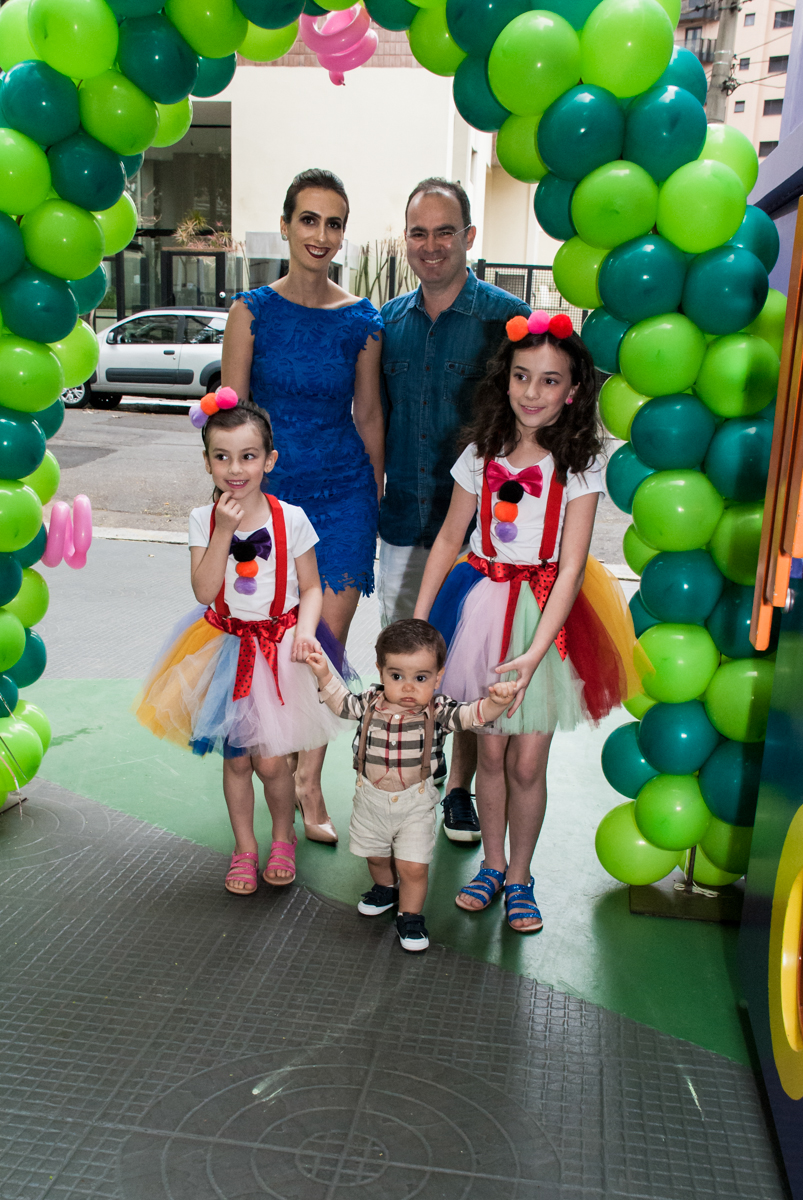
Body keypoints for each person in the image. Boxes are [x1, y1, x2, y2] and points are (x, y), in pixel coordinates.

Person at [414, 313, 638, 934]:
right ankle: (490, 865)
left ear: (572, 391)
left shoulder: (581, 466)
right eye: (521, 377)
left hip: (544, 617)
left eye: (548, 381)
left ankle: (520, 876)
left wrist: (538, 652)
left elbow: (570, 571)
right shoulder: (479, 454)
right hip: (480, 605)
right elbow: (448, 539)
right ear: (504, 380)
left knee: (527, 763)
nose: (532, 393)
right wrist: (422, 620)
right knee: (488, 754)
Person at [222, 167, 384, 845]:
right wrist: (230, 510)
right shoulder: (250, 311)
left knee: (322, 645)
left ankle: (309, 778)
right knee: (272, 643)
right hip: (270, 502)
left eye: (334, 222)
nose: (321, 235)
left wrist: (372, 493)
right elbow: (230, 418)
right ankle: (277, 766)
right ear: (286, 224)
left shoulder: (362, 320)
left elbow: (370, 414)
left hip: (344, 496)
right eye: (309, 219)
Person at [134, 394, 344, 896]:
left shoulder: (291, 518)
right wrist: (223, 530)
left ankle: (282, 839)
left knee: (272, 762)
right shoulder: (200, 519)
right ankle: (244, 848)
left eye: (248, 456)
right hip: (227, 650)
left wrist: (308, 630)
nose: (235, 468)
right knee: (236, 761)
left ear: (269, 460)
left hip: (280, 647)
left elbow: (311, 586)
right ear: (206, 461)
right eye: (221, 456)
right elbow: (206, 591)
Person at [379, 177, 530, 844]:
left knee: (466, 668)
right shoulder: (385, 324)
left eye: (445, 231)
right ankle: (409, 778)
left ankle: (457, 792)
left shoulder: (506, 320)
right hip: (404, 526)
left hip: (479, 541)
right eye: (419, 232)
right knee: (406, 666)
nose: (431, 245)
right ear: (405, 240)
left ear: (468, 236)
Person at [305, 619, 517, 951]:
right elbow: (341, 703)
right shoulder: (370, 702)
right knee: (374, 856)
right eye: (396, 676)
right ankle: (386, 889)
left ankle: (411, 914)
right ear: (380, 670)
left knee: (413, 866)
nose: (407, 688)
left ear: (438, 675)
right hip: (369, 798)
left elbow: (471, 715)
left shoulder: (438, 709)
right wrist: (322, 674)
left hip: (415, 804)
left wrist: (497, 703)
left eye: (420, 678)